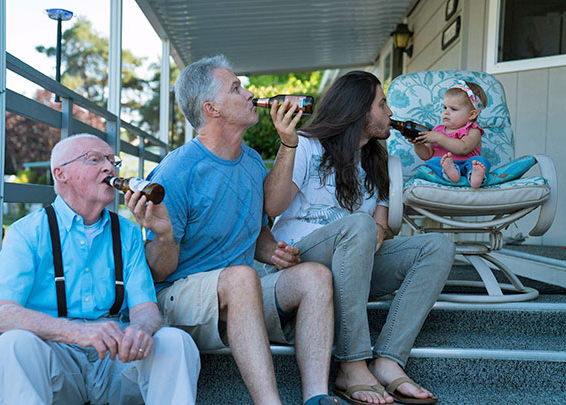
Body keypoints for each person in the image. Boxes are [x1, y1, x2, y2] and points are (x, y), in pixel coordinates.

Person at [125, 55, 340, 405]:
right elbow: (158, 270)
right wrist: (164, 237)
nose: (250, 93)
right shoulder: (177, 172)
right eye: (237, 88)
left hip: (239, 296)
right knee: (240, 278)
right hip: (179, 299)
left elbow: (262, 219)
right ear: (212, 109)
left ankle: (316, 396)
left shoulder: (252, 160)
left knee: (315, 276)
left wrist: (272, 249)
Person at [264, 70, 455, 404]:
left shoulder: (376, 162)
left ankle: (388, 360)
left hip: (353, 262)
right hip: (299, 261)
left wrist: (377, 231)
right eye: (383, 104)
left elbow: (383, 227)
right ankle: (352, 363)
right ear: (359, 110)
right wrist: (286, 143)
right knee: (359, 224)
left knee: (438, 246)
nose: (391, 113)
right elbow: (272, 205)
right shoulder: (307, 146)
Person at [0, 134, 200, 405]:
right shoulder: (26, 232)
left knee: (174, 341)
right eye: (95, 159)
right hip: (55, 358)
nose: (110, 168)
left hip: (116, 359)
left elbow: (145, 308)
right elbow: (0, 314)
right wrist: (76, 332)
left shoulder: (129, 233)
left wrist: (140, 330)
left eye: (112, 160)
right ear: (61, 174)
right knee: (11, 347)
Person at [412, 79, 489, 188]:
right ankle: (449, 172)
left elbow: (464, 148)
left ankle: (474, 176)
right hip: (445, 165)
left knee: (480, 161)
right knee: (432, 162)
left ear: (471, 115)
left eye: (453, 109)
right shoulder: (437, 130)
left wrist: (439, 138)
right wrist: (418, 143)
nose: (446, 112)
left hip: (467, 165)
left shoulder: (473, 130)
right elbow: (426, 155)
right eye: (445, 107)